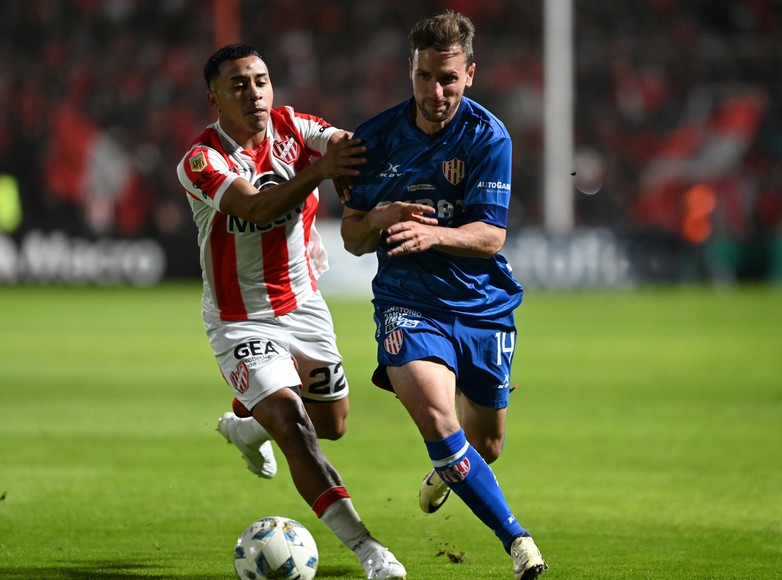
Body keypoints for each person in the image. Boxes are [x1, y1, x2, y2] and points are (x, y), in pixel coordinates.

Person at [176, 43, 406, 580]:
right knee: (295, 426)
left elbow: (344, 144)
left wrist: (347, 160)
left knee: (332, 424)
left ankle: (246, 426)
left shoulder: (293, 126)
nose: (254, 93)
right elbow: (255, 207)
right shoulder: (200, 161)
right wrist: (322, 171)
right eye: (238, 84)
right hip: (240, 318)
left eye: (261, 81)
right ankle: (370, 550)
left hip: (303, 305)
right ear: (214, 99)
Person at [339, 11, 547, 580]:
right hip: (407, 302)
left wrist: (434, 235)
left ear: (470, 74)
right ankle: (518, 542)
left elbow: (491, 237)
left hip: (481, 305)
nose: (435, 92)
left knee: (486, 447)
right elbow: (353, 237)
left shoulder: (488, 136)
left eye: (448, 79)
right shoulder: (375, 139)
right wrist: (378, 217)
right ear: (410, 70)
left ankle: (450, 467)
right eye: (424, 76)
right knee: (437, 417)